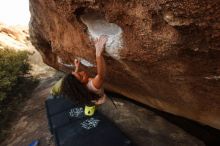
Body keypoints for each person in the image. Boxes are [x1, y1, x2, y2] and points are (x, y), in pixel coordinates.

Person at [50, 35, 108, 108]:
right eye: (81, 76)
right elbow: (101, 75)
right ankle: (94, 105)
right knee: (93, 105)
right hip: (97, 97)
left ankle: (93, 103)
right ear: (81, 85)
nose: (82, 72)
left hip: (88, 96)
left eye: (78, 73)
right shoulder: (94, 85)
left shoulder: (79, 87)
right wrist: (98, 53)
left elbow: (75, 79)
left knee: (89, 101)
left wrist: (77, 67)